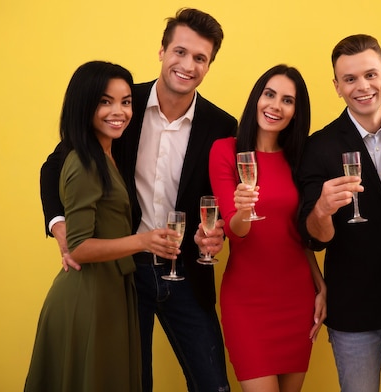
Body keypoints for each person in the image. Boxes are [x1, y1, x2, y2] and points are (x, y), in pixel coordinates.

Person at [39, 8, 237, 392]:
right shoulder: (121, 106)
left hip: (186, 274)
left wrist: (218, 233)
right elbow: (53, 167)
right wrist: (60, 228)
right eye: (180, 52)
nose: (188, 65)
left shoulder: (222, 126)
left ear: (210, 65)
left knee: (213, 384)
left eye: (200, 58)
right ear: (162, 52)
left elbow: (220, 201)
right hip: (124, 273)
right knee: (131, 382)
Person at [26, 60, 173, 391]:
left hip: (111, 289)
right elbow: (79, 246)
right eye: (105, 101)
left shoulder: (107, 150)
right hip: (87, 297)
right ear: (84, 105)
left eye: (125, 101)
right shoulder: (84, 160)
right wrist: (144, 241)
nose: (118, 111)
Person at [297, 34, 381, 392]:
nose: (362, 86)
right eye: (350, 79)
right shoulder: (319, 146)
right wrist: (322, 209)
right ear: (336, 86)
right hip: (353, 310)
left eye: (370, 75)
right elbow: (313, 237)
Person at [209, 65, 327, 392]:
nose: (275, 106)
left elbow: (300, 235)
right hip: (247, 302)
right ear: (257, 98)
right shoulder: (225, 150)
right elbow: (236, 231)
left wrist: (321, 285)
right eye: (270, 95)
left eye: (287, 100)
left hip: (297, 299)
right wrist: (244, 209)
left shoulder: (299, 159)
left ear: (295, 112)